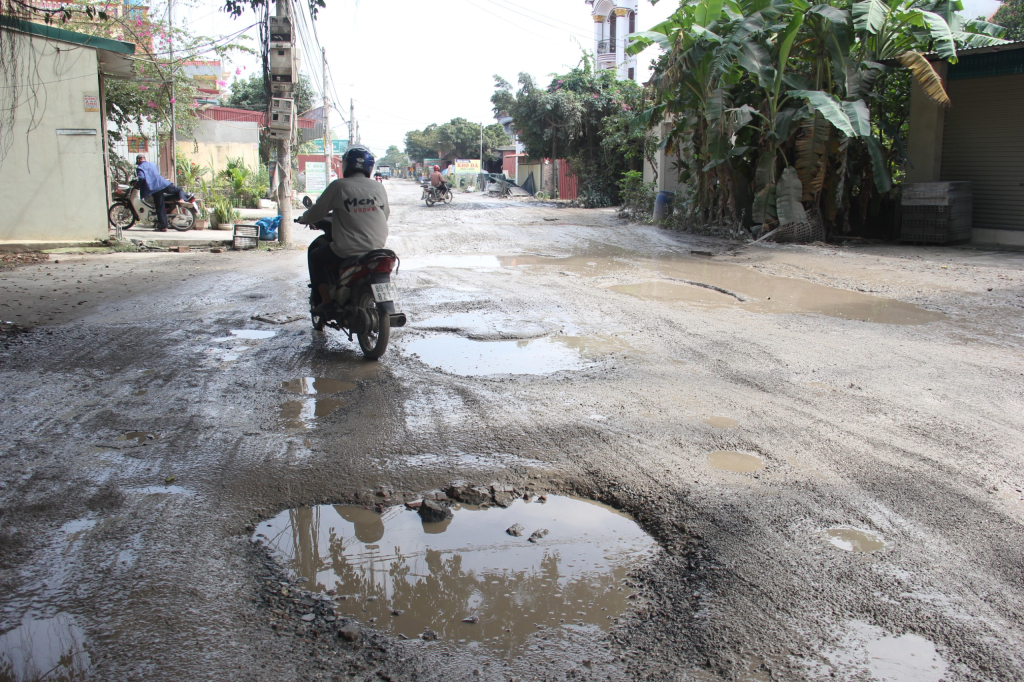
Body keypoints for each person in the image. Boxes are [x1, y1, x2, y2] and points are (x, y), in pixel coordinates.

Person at [300, 145, 390, 314]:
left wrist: (305, 218)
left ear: (346, 165)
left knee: (315, 256)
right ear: (369, 167)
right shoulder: (378, 187)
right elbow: (385, 215)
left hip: (348, 249)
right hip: (377, 248)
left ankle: (327, 302)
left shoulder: (339, 186)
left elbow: (318, 211)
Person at [135, 154, 191, 232]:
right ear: (145, 158)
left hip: (154, 188)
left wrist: (137, 185)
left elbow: (141, 178)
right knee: (179, 189)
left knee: (160, 207)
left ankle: (164, 227)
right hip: (163, 183)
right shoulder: (153, 164)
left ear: (138, 160)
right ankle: (181, 199)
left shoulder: (140, 167)